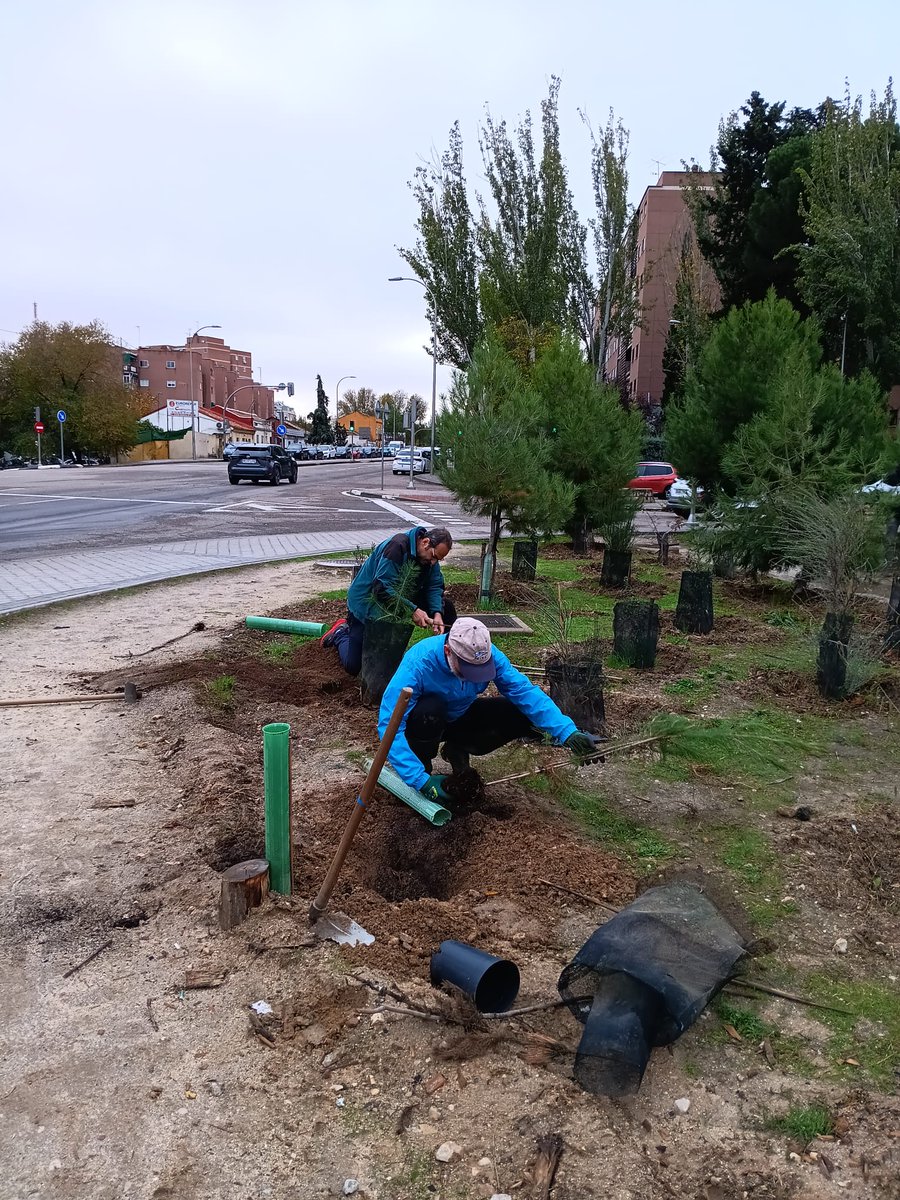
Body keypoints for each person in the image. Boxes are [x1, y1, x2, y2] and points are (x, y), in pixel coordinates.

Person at [378, 617, 603, 800]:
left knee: (516, 711)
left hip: (459, 717)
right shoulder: (419, 664)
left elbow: (525, 692)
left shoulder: (490, 655)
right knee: (429, 709)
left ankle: (458, 748)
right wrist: (420, 780)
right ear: (448, 650)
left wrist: (567, 731)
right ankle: (424, 772)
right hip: (423, 725)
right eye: (466, 668)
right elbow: (389, 724)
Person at [321, 526, 456, 676]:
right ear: (425, 542)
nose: (433, 562)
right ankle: (340, 633)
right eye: (433, 556)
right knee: (354, 666)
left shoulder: (428, 559)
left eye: (438, 559)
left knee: (447, 608)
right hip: (367, 601)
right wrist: (412, 611)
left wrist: (437, 613)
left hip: (399, 598)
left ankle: (449, 663)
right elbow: (381, 588)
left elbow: (434, 585)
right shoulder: (397, 547)